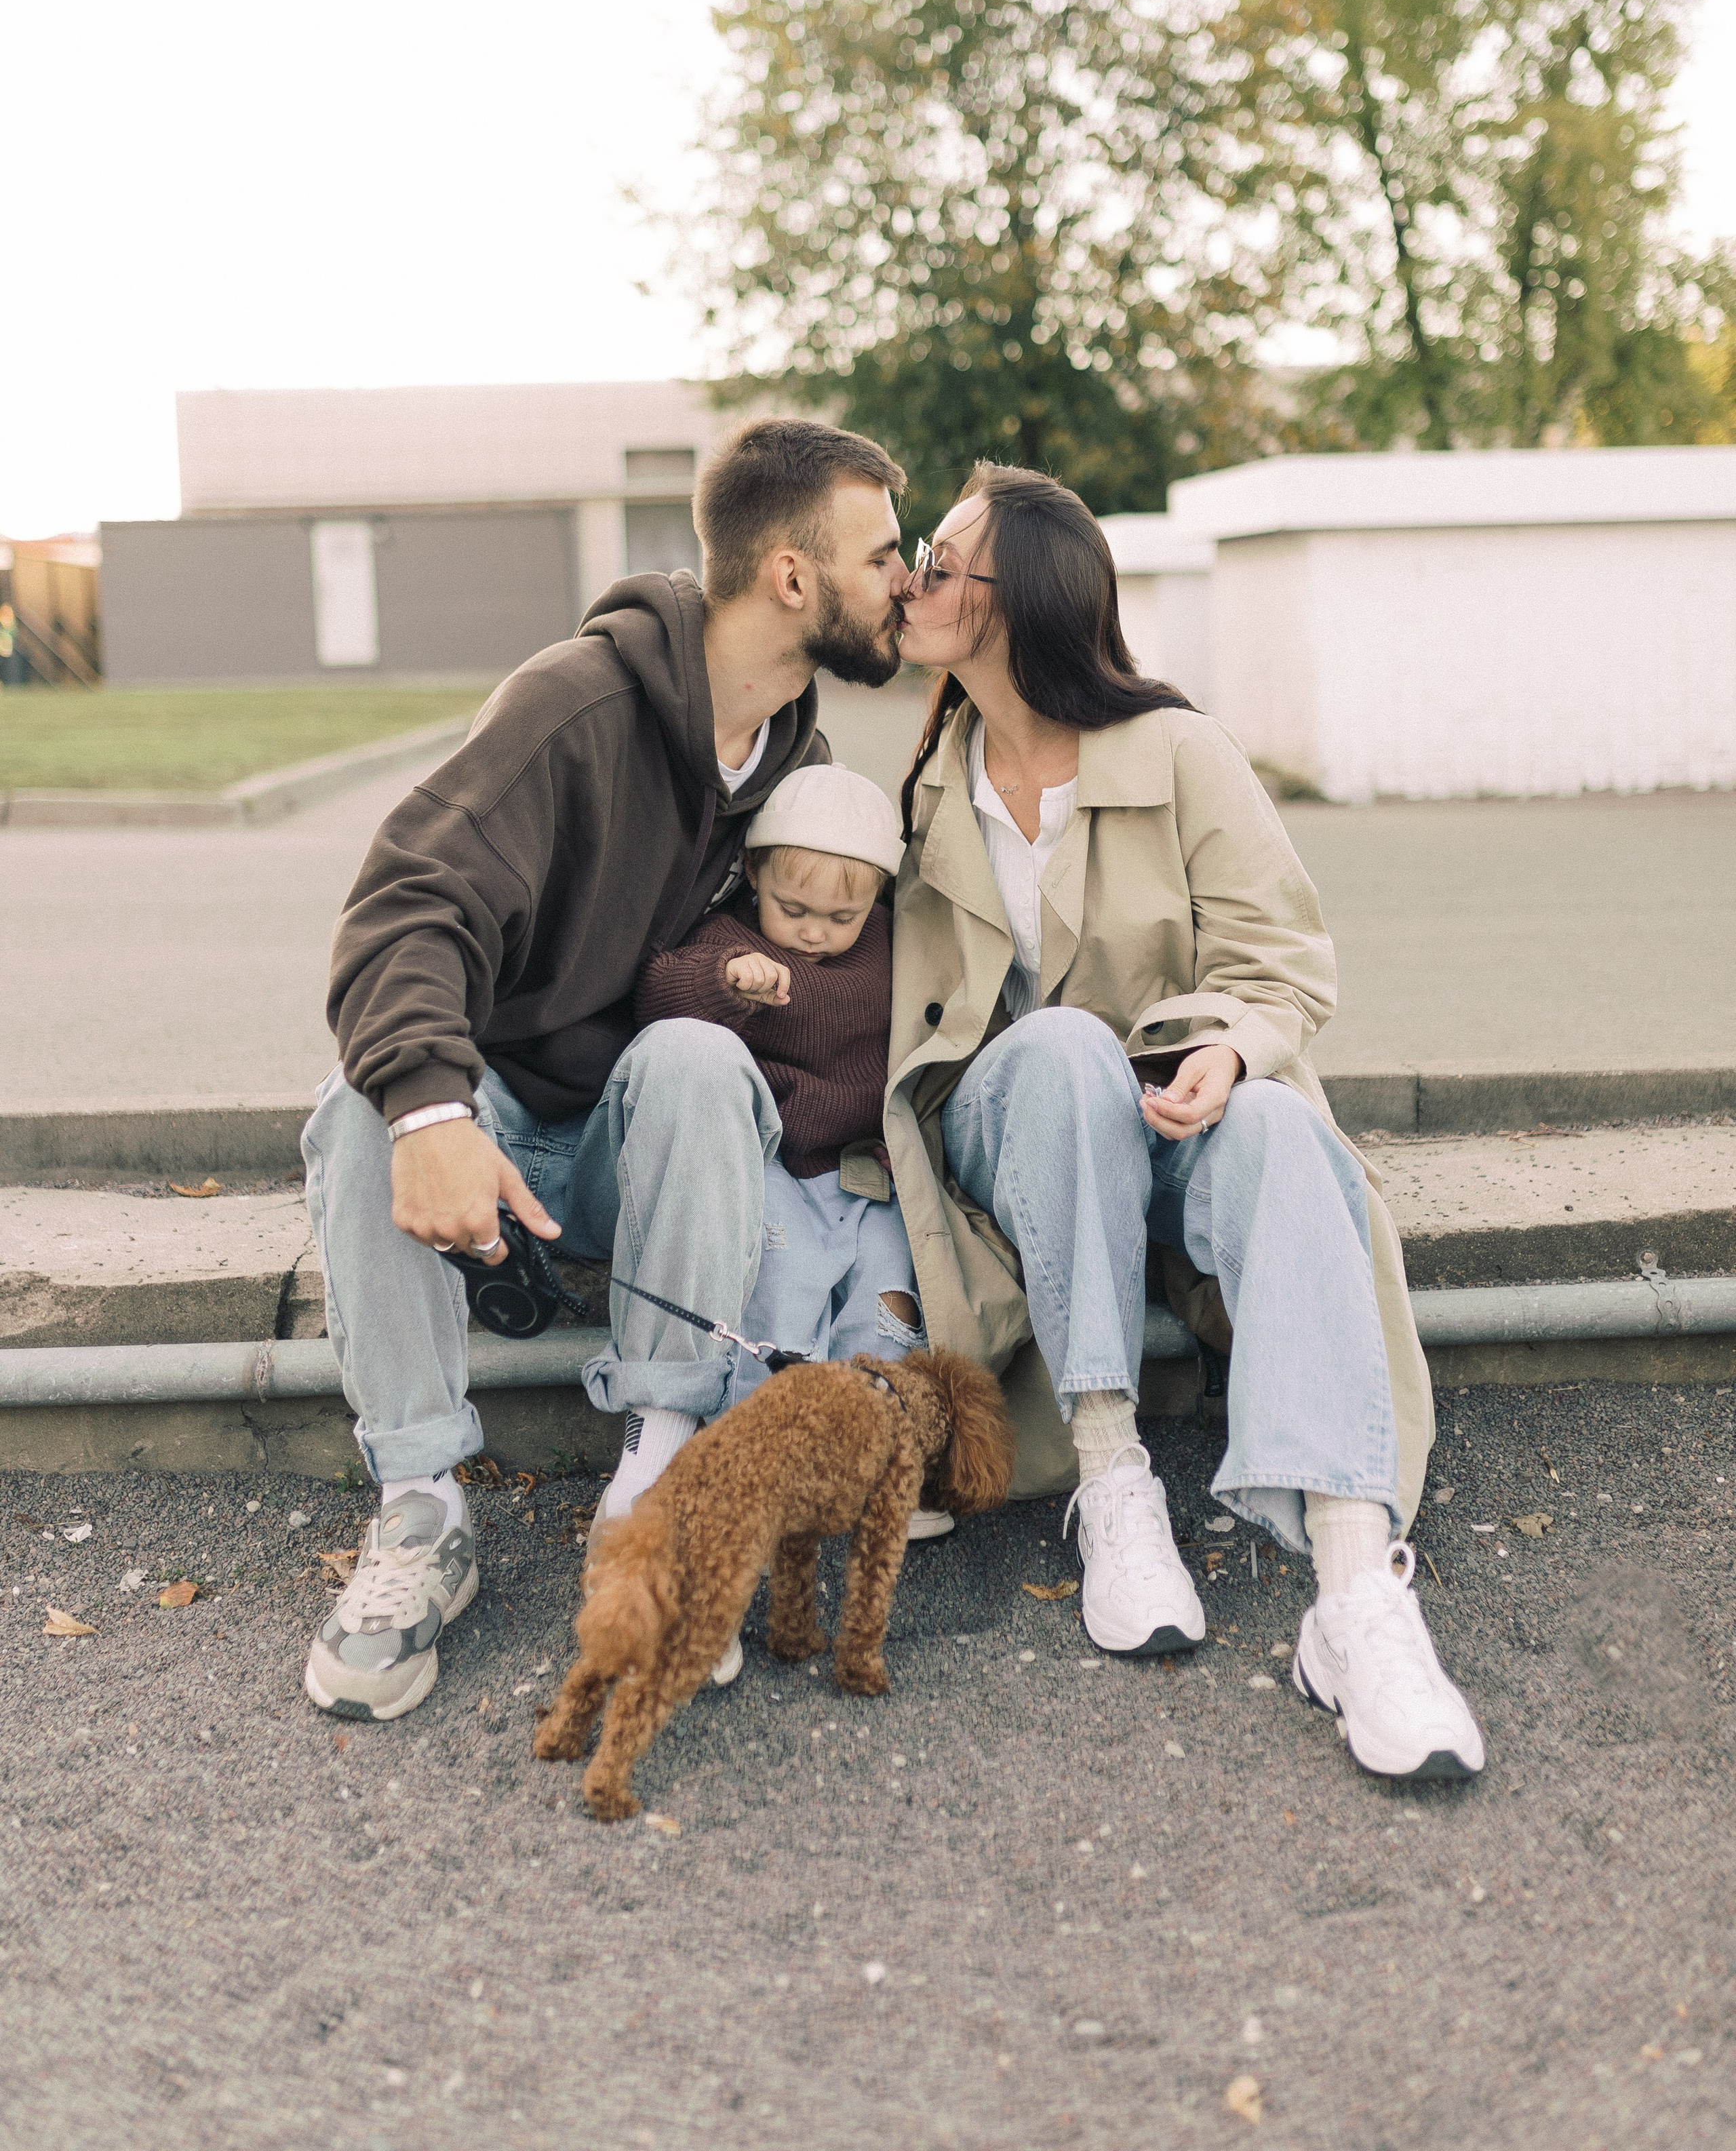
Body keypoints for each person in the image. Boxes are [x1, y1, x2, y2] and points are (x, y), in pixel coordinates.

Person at [299, 415, 909, 1722]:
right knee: (365, 1105)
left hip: (637, 1148)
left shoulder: (795, 767)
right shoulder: (575, 705)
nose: (904, 580)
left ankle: (655, 1481)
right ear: (792, 577)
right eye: (883, 556)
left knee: (693, 1054)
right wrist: (433, 1111)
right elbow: (407, 903)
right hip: (503, 1121)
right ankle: (420, 1508)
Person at [888, 464, 1484, 1782]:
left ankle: (1355, 1596)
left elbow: (1284, 967)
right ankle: (1113, 1482)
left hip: (1174, 1122)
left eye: (938, 560)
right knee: (1058, 1049)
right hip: (1014, 1140)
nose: (912, 579)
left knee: (1278, 1130)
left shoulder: (1179, 753)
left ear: (1014, 602)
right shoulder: (922, 774)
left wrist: (1228, 1050)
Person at [629, 761, 926, 1419]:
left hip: (865, 1168)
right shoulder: (729, 939)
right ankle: (764, 1425)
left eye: (842, 916)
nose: (814, 933)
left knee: (888, 1300)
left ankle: (872, 1427)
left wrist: (909, 1132)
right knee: (782, 1294)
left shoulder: (891, 943)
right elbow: (658, 995)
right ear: (754, 873)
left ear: (877, 896)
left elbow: (927, 1038)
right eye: (793, 910)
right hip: (773, 1168)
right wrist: (725, 982)